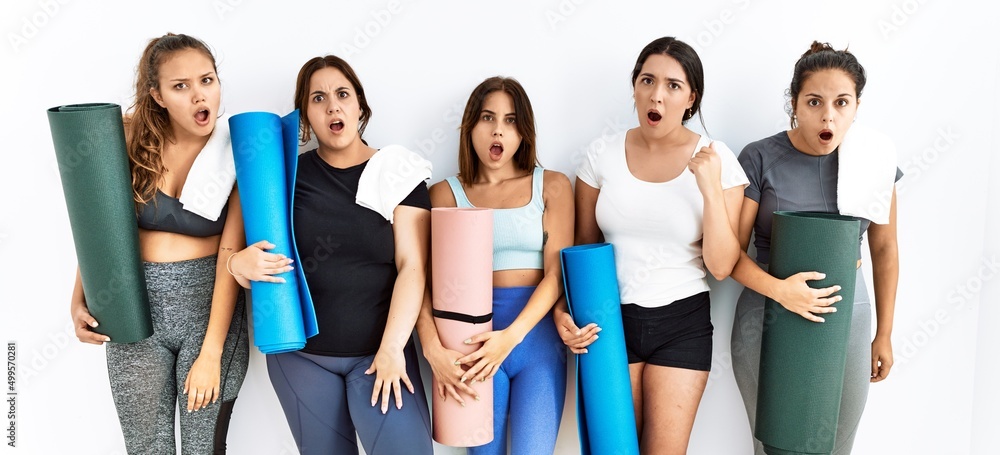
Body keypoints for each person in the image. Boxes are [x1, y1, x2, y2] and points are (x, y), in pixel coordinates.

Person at [229, 55, 433, 455]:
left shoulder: (398, 172)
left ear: (360, 105)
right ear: (306, 115)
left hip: (380, 355)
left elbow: (413, 267)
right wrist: (240, 263)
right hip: (302, 358)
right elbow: (234, 254)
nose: (333, 106)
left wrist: (392, 349)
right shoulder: (284, 178)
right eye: (318, 98)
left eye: (342, 94)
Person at [555, 36, 748, 454]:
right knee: (613, 450)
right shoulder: (600, 155)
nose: (656, 94)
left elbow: (721, 266)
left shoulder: (716, 159)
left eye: (673, 85)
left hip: (682, 322)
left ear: (691, 98)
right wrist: (560, 312)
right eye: (647, 80)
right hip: (606, 320)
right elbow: (581, 251)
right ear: (635, 87)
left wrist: (711, 189)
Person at [70, 33, 251, 454]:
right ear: (157, 94)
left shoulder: (237, 147)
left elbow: (230, 253)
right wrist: (80, 298)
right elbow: (101, 224)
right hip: (130, 305)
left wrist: (211, 353)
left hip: (207, 310)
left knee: (201, 448)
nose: (199, 96)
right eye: (181, 86)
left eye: (207, 80)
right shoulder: (129, 139)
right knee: (146, 449)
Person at [729, 41, 900, 455]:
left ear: (857, 106)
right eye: (814, 101)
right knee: (776, 446)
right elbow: (729, 255)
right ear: (795, 104)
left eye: (842, 102)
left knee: (835, 447)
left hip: (849, 314)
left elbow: (885, 250)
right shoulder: (760, 157)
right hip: (767, 314)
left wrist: (885, 334)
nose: (828, 115)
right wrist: (782, 291)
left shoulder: (875, 159)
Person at [415, 76, 574, 454]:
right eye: (487, 118)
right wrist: (432, 349)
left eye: (510, 120)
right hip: (470, 347)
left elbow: (556, 275)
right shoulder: (442, 194)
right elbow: (417, 281)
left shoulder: (552, 186)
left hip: (534, 340)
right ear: (470, 127)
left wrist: (511, 337)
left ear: (524, 131)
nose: (498, 130)